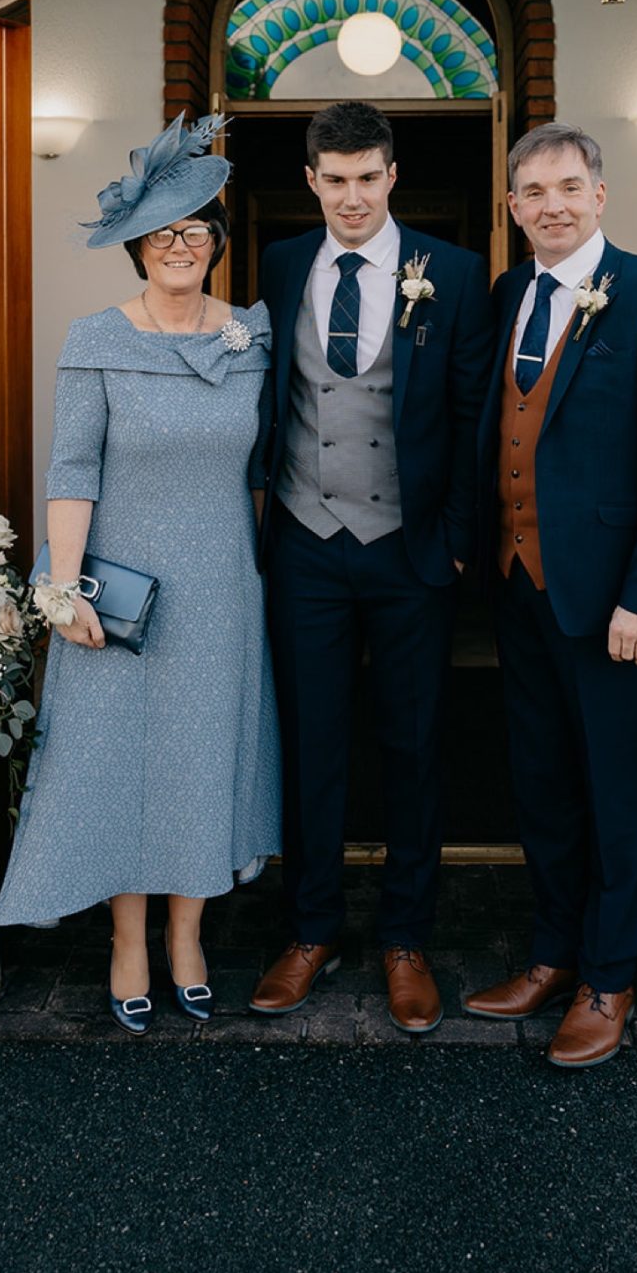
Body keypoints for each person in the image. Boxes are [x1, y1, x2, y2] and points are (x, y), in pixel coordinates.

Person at [0, 113, 281, 1034]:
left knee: (201, 759)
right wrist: (63, 585)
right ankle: (127, 940)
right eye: (162, 236)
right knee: (117, 762)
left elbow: (275, 463)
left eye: (196, 233)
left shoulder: (251, 340)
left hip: (221, 591)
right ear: (138, 251)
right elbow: (71, 470)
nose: (180, 248)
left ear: (218, 246)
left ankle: (189, 934)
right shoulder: (95, 338)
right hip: (116, 593)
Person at [462, 121, 637, 1067]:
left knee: (612, 794)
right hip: (522, 589)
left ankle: (610, 977)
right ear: (513, 208)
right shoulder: (510, 293)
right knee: (542, 785)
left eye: (567, 187)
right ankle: (552, 955)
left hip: (612, 603)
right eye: (531, 193)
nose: (550, 206)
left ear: (599, 195)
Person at [249, 100, 491, 1035]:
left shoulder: (457, 274)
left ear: (392, 176)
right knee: (311, 744)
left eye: (367, 177)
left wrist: (459, 537)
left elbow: (473, 418)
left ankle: (404, 939)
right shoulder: (276, 268)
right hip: (304, 546)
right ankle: (309, 929)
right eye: (333, 179)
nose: (351, 196)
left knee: (414, 745)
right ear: (310, 180)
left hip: (408, 546)